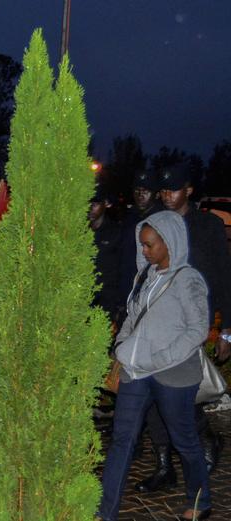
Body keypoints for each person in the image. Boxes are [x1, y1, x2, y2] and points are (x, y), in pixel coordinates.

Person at [98, 210, 212, 521]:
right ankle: (105, 512)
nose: (144, 251)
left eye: (150, 245)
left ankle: (200, 501)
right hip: (137, 371)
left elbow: (198, 330)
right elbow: (132, 317)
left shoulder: (188, 279)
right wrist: (122, 346)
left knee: (183, 439)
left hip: (174, 374)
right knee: (122, 439)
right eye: (142, 245)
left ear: (170, 242)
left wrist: (161, 358)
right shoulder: (144, 277)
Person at [134, 164, 230, 494]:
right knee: (154, 394)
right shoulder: (155, 223)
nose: (166, 195)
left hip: (191, 324)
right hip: (157, 321)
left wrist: (227, 330)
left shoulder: (208, 226)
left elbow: (223, 276)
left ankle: (205, 437)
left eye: (172, 189)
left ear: (188, 190)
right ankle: (164, 467)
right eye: (162, 190)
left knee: (180, 393)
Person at [119, 169, 163, 305]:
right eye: (137, 190)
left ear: (156, 194)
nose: (140, 195)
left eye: (145, 191)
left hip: (152, 291)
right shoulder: (129, 217)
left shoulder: (164, 220)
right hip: (127, 288)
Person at [88, 185, 123, 322]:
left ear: (106, 204)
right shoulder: (79, 229)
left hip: (106, 300)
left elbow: (121, 269)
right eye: (88, 202)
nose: (90, 207)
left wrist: (118, 305)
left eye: (95, 204)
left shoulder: (116, 232)